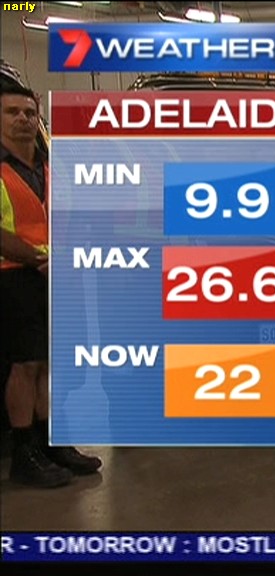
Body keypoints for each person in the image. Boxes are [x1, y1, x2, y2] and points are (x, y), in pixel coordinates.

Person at [2, 84, 102, 487]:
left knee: (48, 361)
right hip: (14, 274)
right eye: (12, 112)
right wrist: (36, 258)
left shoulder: (49, 167)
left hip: (54, 273)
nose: (23, 120)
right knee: (24, 364)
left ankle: (50, 443)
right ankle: (24, 452)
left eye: (29, 113)